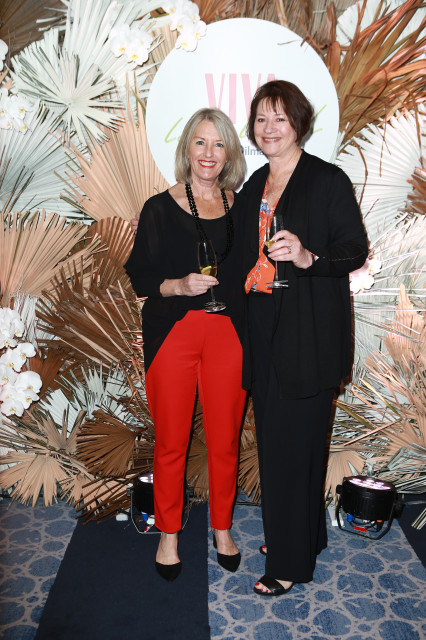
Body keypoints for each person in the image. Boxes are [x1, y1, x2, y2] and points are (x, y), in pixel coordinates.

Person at [240, 80, 368, 596]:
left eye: (280, 118)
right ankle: (305, 536)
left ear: (298, 124)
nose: (269, 128)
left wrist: (309, 256)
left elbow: (354, 250)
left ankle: (288, 563)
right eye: (261, 119)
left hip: (309, 333)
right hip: (263, 327)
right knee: (281, 443)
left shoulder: (326, 179)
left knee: (293, 446)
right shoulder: (255, 183)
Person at [125, 108, 247, 581]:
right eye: (200, 142)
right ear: (186, 149)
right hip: (173, 332)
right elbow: (140, 276)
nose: (208, 153)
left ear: (229, 153)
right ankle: (169, 533)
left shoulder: (242, 206)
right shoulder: (159, 207)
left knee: (225, 440)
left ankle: (222, 527)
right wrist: (178, 285)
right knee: (171, 441)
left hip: (229, 335)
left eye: (218, 144)